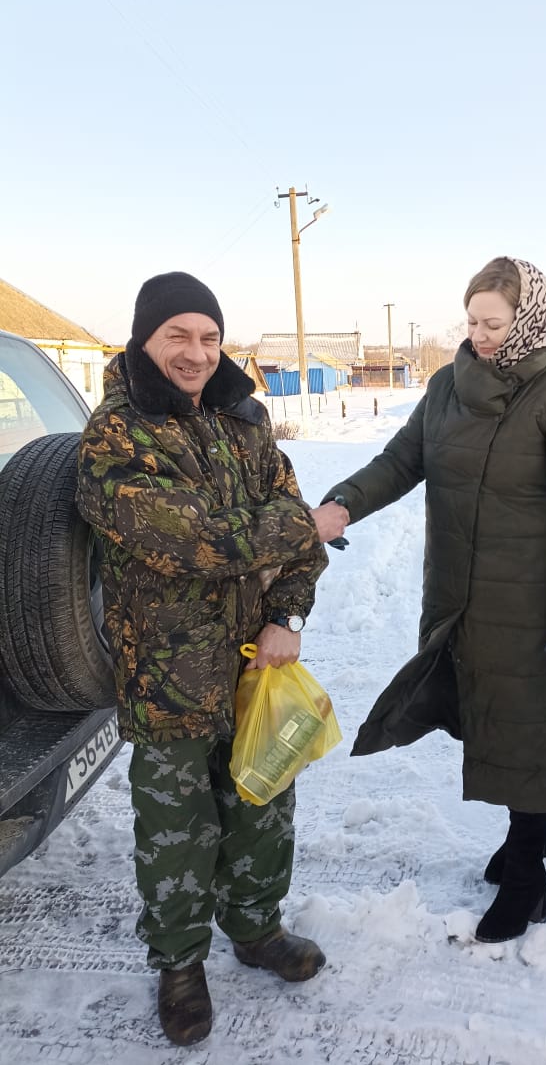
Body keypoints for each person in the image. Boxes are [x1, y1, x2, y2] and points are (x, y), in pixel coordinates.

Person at [76, 271, 348, 1046]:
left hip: (257, 666)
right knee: (176, 831)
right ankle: (180, 967)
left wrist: (288, 613)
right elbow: (187, 542)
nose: (196, 354)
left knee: (263, 806)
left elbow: (291, 538)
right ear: (144, 340)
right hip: (166, 682)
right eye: (178, 337)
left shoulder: (246, 422)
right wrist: (301, 526)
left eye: (209, 337)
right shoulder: (116, 437)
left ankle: (257, 931)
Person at [322, 257, 546, 943]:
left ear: (529, 322)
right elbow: (400, 460)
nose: (480, 335)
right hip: (458, 593)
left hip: (534, 606)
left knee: (526, 724)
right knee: (490, 718)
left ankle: (526, 879)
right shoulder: (448, 388)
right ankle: (527, 842)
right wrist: (341, 504)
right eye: (473, 320)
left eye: (494, 322)